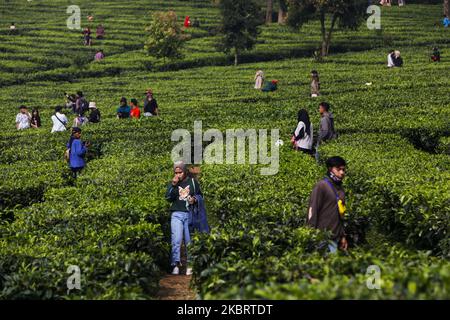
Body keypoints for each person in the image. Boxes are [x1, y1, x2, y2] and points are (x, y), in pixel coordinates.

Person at [165, 161, 202, 275]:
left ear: (184, 171)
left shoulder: (192, 182)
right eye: (176, 172)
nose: (178, 175)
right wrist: (173, 185)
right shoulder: (173, 183)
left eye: (180, 172)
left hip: (189, 214)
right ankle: (175, 264)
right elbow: (168, 198)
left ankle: (190, 265)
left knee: (189, 241)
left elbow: (200, 195)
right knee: (176, 240)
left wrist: (194, 199)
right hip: (176, 214)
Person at [306, 156, 348, 253]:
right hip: (322, 237)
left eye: (343, 170)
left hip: (336, 237)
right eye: (338, 169)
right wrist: (310, 233)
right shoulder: (321, 186)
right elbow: (313, 210)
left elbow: (341, 216)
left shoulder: (341, 189)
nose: (342, 173)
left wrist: (343, 236)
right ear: (330, 169)